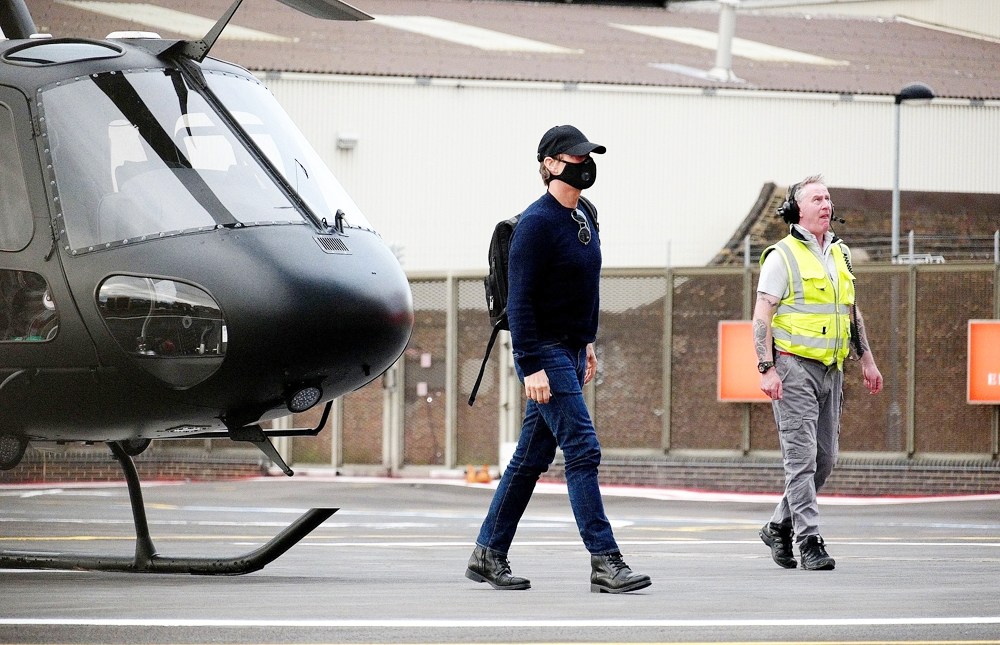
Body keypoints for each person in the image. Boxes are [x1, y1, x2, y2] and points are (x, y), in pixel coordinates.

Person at [465, 125, 651, 594]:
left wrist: (587, 342)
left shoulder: (584, 213)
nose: (584, 164)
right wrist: (530, 365)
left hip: (569, 347)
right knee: (583, 448)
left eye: (588, 156)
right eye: (574, 157)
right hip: (542, 349)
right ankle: (605, 562)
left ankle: (487, 553)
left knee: (531, 458)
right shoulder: (537, 222)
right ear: (549, 164)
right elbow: (522, 303)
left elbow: (586, 287)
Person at [753, 175, 883, 571]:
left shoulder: (840, 255)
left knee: (824, 459)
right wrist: (766, 367)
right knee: (801, 457)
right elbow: (762, 315)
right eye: (817, 198)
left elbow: (849, 310)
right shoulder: (782, 255)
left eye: (828, 198)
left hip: (832, 369)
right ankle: (808, 539)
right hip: (793, 367)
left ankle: (778, 524)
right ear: (798, 209)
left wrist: (867, 358)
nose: (826, 204)